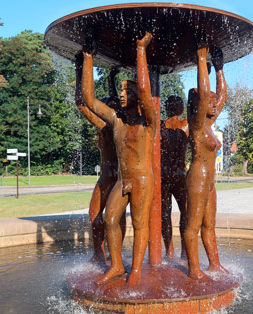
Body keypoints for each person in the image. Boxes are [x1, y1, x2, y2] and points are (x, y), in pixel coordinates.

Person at [81, 32, 156, 286]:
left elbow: (146, 90)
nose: (122, 94)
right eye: (121, 90)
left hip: (142, 180)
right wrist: (89, 58)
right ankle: (115, 265)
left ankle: (134, 271)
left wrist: (140, 50)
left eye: (127, 90)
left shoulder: (148, 122)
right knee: (110, 219)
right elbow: (89, 99)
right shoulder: (116, 120)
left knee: (139, 224)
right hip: (122, 181)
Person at [183, 45, 228, 280]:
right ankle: (194, 269)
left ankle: (215, 264)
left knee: (209, 225)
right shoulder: (198, 125)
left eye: (213, 101)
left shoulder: (209, 125)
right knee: (193, 225)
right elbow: (204, 93)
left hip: (210, 180)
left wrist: (219, 68)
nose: (214, 104)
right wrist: (202, 60)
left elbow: (223, 97)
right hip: (198, 178)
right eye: (209, 101)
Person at [75, 58, 125, 264]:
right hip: (114, 174)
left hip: (110, 175)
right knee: (105, 215)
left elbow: (81, 103)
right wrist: (112, 77)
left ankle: (103, 255)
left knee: (100, 215)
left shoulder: (106, 126)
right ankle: (105, 254)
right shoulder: (116, 125)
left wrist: (79, 70)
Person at [160, 95, 188, 260]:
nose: (177, 106)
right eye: (173, 103)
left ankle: (184, 250)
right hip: (166, 175)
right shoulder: (161, 125)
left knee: (185, 212)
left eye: (179, 103)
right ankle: (169, 250)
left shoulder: (186, 125)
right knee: (165, 214)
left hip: (178, 175)